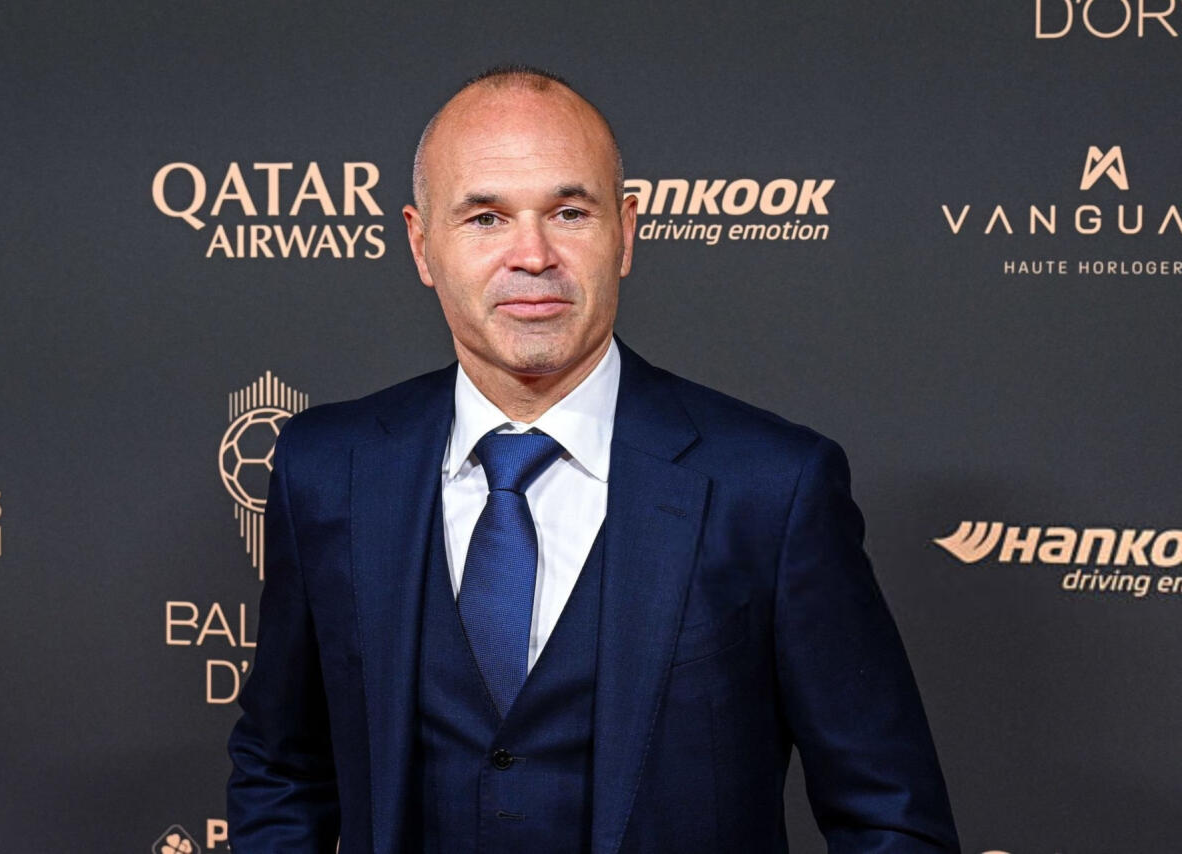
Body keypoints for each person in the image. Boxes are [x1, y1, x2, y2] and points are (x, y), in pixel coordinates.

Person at [227, 65, 959, 853]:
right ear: (421, 243)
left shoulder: (772, 487)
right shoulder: (326, 470)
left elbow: (889, 817)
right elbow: (283, 770)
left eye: (569, 212)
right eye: (485, 218)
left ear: (626, 232)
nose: (532, 255)